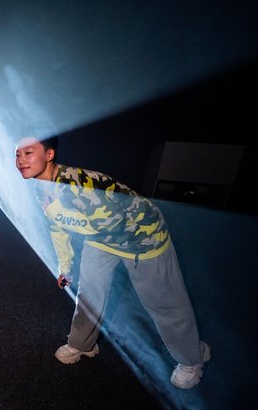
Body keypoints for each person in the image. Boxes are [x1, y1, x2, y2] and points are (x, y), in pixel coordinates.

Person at [14, 135, 210, 389]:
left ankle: (192, 358)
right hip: (101, 237)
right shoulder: (41, 186)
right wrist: (65, 266)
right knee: (88, 293)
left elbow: (103, 222)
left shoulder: (77, 184)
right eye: (17, 155)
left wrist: (57, 213)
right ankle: (82, 345)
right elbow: (58, 227)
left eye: (28, 153)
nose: (20, 161)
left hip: (141, 235)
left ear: (49, 155)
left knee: (163, 304)